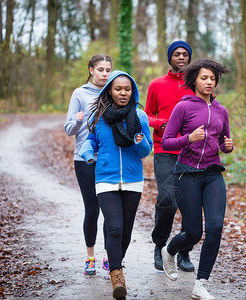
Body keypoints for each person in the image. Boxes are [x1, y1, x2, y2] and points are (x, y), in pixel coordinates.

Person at [160, 59, 234, 300]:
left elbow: (224, 143)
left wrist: (228, 146)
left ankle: (201, 283)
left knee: (215, 227)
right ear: (194, 81)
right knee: (193, 232)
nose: (209, 82)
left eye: (213, 78)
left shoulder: (222, 111)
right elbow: (167, 142)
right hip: (187, 173)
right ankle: (169, 251)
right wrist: (188, 139)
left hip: (212, 174)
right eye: (204, 78)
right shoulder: (183, 108)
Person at [79, 70, 153, 299]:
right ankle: (117, 275)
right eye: (118, 88)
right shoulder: (99, 116)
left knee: (126, 232)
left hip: (132, 179)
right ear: (109, 90)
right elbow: (90, 140)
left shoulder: (140, 117)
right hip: (105, 178)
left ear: (133, 92)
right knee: (114, 227)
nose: (123, 93)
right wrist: (88, 152)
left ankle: (116, 261)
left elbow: (146, 150)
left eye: (127, 89)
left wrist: (139, 143)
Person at [145, 40, 196, 272]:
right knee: (167, 199)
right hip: (164, 149)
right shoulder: (156, 84)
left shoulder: (197, 84)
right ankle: (159, 245)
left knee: (190, 202)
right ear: (170, 58)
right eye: (177, 54)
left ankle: (184, 251)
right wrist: (161, 124)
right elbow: (146, 115)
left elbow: (209, 111)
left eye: (185, 54)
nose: (181, 57)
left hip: (192, 151)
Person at [64, 54, 112, 275]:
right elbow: (68, 130)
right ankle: (90, 257)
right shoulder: (79, 93)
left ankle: (109, 256)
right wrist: (78, 121)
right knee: (92, 208)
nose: (104, 74)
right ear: (91, 70)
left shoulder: (113, 91)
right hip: (84, 159)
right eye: (100, 69)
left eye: (108, 70)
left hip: (108, 158)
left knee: (109, 209)